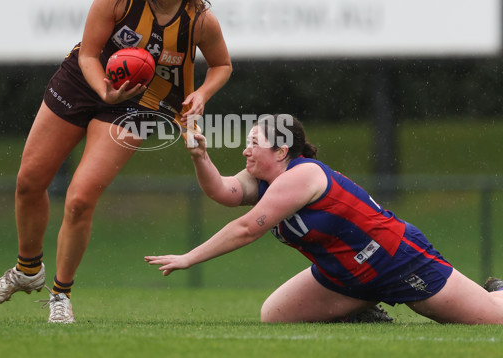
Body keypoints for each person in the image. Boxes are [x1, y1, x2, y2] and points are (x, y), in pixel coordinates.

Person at [0, 0, 232, 323]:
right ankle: (28, 270)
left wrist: (202, 95)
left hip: (141, 103)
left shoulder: (199, 20)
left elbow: (221, 65)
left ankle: (60, 294)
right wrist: (104, 91)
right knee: (29, 180)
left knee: (79, 200)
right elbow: (90, 55)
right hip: (82, 82)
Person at [146, 114, 503, 324]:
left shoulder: (302, 176)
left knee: (492, 319)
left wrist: (188, 257)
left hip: (395, 260)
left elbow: (245, 229)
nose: (245, 149)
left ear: (282, 151)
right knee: (275, 315)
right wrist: (199, 156)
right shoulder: (265, 179)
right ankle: (362, 309)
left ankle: (497, 292)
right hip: (345, 276)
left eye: (254, 142)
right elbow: (222, 193)